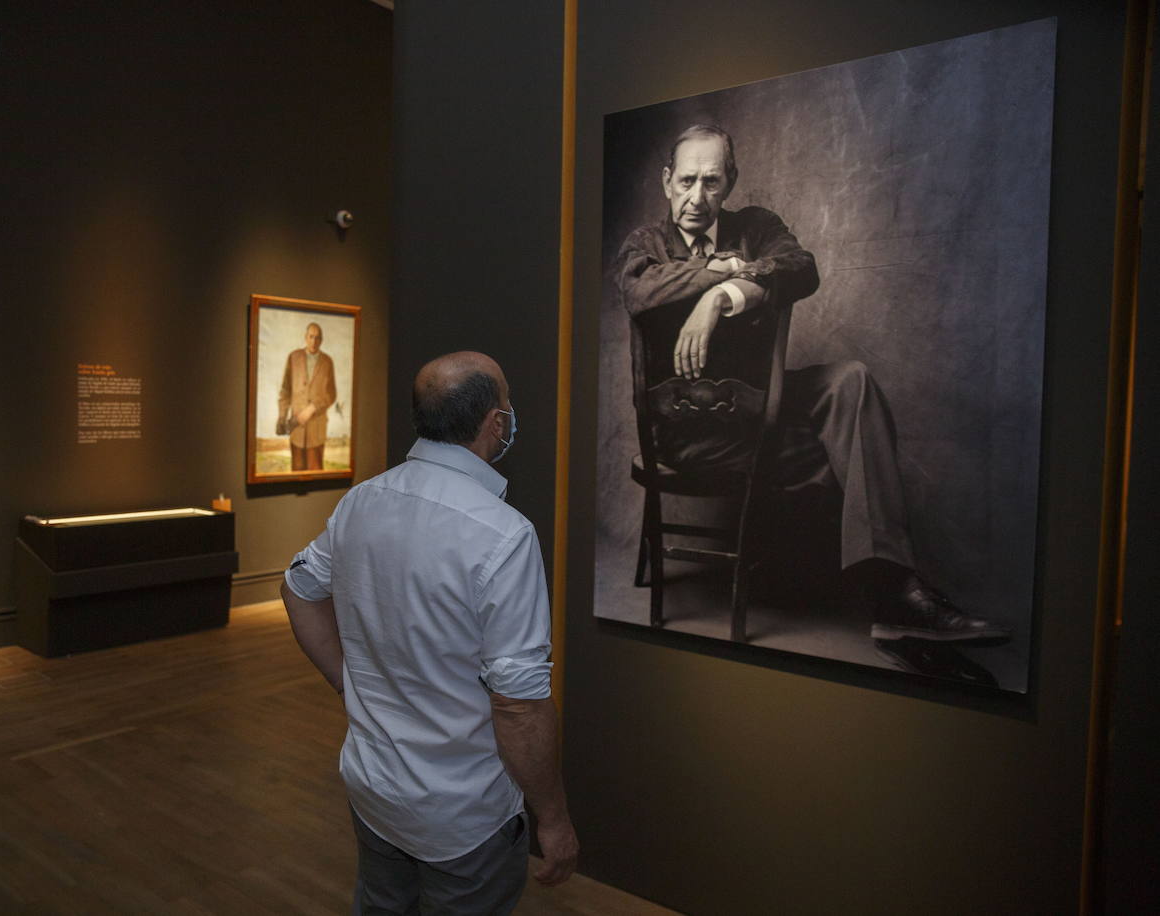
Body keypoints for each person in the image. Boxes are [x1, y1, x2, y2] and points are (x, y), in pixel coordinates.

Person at [616, 124, 1009, 644]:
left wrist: (728, 294)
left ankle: (891, 591)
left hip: (762, 403)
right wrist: (721, 269)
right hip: (695, 429)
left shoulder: (756, 226)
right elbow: (641, 291)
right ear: (667, 181)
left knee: (851, 382)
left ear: (730, 181)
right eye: (687, 180)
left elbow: (801, 268)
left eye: (712, 182)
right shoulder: (647, 243)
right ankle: (864, 578)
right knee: (840, 454)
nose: (697, 197)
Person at [281, 351, 578, 914]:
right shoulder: (503, 535)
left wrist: (348, 683)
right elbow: (518, 706)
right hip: (462, 815)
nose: (511, 415)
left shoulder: (362, 501)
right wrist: (555, 819)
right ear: (496, 423)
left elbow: (299, 588)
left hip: (373, 788)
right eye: (508, 404)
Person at [277, 322, 337, 471]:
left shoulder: (327, 362)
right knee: (295, 473)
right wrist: (282, 417)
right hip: (296, 429)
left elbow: (331, 394)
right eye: (311, 337)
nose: (313, 341)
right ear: (305, 337)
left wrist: (313, 407)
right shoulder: (294, 357)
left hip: (316, 431)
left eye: (317, 338)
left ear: (321, 340)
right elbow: (285, 390)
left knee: (316, 472)